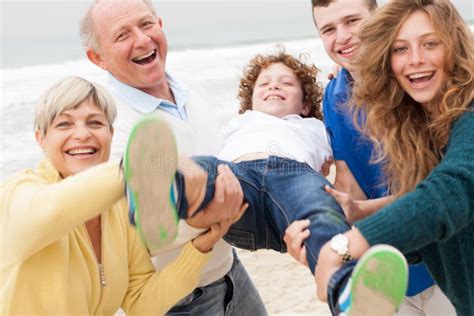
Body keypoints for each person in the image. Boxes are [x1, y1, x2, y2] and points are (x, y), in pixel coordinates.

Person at [80, 0, 267, 314]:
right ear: (98, 58)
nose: (142, 39)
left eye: (146, 24)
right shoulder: (104, 125)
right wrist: (206, 217)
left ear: (161, 25)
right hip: (178, 301)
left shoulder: (191, 89)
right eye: (122, 35)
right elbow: (125, 235)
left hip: (230, 270)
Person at [0, 77, 239, 315]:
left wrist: (201, 246)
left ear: (111, 134)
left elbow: (140, 302)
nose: (82, 134)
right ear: (41, 139)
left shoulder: (119, 209)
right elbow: (47, 211)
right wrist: (139, 167)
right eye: (64, 124)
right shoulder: (19, 191)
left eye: (95, 123)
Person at [285, 0, 455, 314]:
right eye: (329, 29)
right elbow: (348, 183)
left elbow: (442, 189)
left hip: (445, 265)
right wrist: (320, 235)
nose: (342, 37)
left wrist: (353, 229)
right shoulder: (333, 95)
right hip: (386, 274)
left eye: (352, 20)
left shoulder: (417, 76)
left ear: (379, 18)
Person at [125, 51, 351, 276]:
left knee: (319, 206)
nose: (274, 87)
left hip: (291, 187)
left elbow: (351, 131)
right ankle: (158, 194)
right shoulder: (238, 124)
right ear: (250, 101)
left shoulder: (315, 127)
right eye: (264, 83)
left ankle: (342, 279)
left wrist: (344, 71)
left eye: (287, 83)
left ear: (305, 105)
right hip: (238, 191)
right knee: (205, 166)